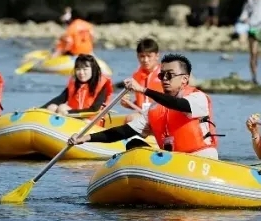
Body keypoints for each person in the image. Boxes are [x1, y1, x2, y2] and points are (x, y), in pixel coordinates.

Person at [74, 54, 219, 159]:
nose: (165, 79)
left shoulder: (197, 98)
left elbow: (178, 104)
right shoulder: (154, 109)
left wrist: (143, 90)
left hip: (200, 159)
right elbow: (122, 132)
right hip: (175, 161)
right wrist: (86, 138)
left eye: (170, 75)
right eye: (162, 75)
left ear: (184, 79)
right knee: (134, 145)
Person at [44, 54, 112, 115]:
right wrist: (40, 109)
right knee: (52, 107)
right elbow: (59, 99)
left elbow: (94, 109)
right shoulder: (74, 84)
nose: (81, 73)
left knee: (62, 108)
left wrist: (69, 112)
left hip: (90, 122)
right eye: (78, 69)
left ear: (93, 70)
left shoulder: (102, 86)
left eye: (85, 69)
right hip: (73, 117)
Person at [122, 37, 161, 113]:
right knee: (130, 118)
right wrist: (129, 104)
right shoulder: (136, 75)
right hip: (144, 115)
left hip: (161, 115)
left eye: (149, 56)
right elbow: (140, 106)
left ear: (157, 56)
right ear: (137, 56)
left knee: (130, 118)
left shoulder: (166, 75)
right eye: (142, 56)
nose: (145, 60)